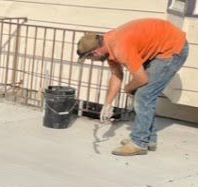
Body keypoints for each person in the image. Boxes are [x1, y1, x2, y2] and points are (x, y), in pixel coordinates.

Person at [76, 18, 189, 156]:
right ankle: (148, 139)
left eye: (89, 58)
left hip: (172, 48)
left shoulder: (120, 48)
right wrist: (107, 104)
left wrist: (127, 88)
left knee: (144, 95)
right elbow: (116, 75)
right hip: (161, 44)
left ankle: (139, 142)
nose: (91, 61)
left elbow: (142, 78)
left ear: (95, 52)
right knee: (143, 94)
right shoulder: (108, 45)